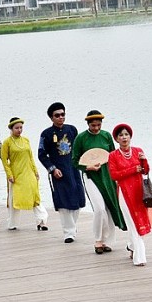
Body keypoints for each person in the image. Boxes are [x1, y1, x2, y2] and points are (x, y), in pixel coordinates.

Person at [72, 110, 126, 254]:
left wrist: (118, 175)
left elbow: (113, 156)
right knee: (99, 208)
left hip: (107, 175)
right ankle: (98, 240)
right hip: (90, 176)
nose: (96, 128)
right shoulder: (81, 138)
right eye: (93, 125)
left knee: (109, 206)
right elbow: (74, 161)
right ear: (88, 124)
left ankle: (107, 241)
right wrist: (86, 167)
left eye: (98, 125)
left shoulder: (106, 136)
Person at [38, 102, 85, 244]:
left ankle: (72, 227)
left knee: (77, 201)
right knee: (63, 202)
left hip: (74, 170)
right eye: (57, 115)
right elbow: (41, 154)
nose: (61, 117)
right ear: (51, 118)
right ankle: (68, 233)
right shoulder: (46, 134)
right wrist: (52, 169)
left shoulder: (72, 130)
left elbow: (79, 149)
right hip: (59, 172)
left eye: (63, 114)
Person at [107, 123, 151, 266]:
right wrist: (133, 169)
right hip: (125, 194)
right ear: (116, 139)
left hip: (139, 192)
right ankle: (140, 257)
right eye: (121, 135)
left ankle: (131, 246)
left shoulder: (138, 151)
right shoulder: (113, 156)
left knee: (139, 220)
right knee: (132, 223)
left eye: (126, 134)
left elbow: (145, 171)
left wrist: (144, 160)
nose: (124, 137)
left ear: (130, 136)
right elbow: (114, 175)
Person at [1, 117, 48, 231]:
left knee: (35, 196)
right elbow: (4, 160)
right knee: (15, 198)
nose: (19, 130)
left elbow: (31, 157)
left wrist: (35, 171)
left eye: (21, 127)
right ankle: (13, 223)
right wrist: (9, 174)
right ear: (11, 129)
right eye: (16, 128)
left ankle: (41, 221)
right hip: (16, 174)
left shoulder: (26, 140)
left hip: (29, 172)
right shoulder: (7, 142)